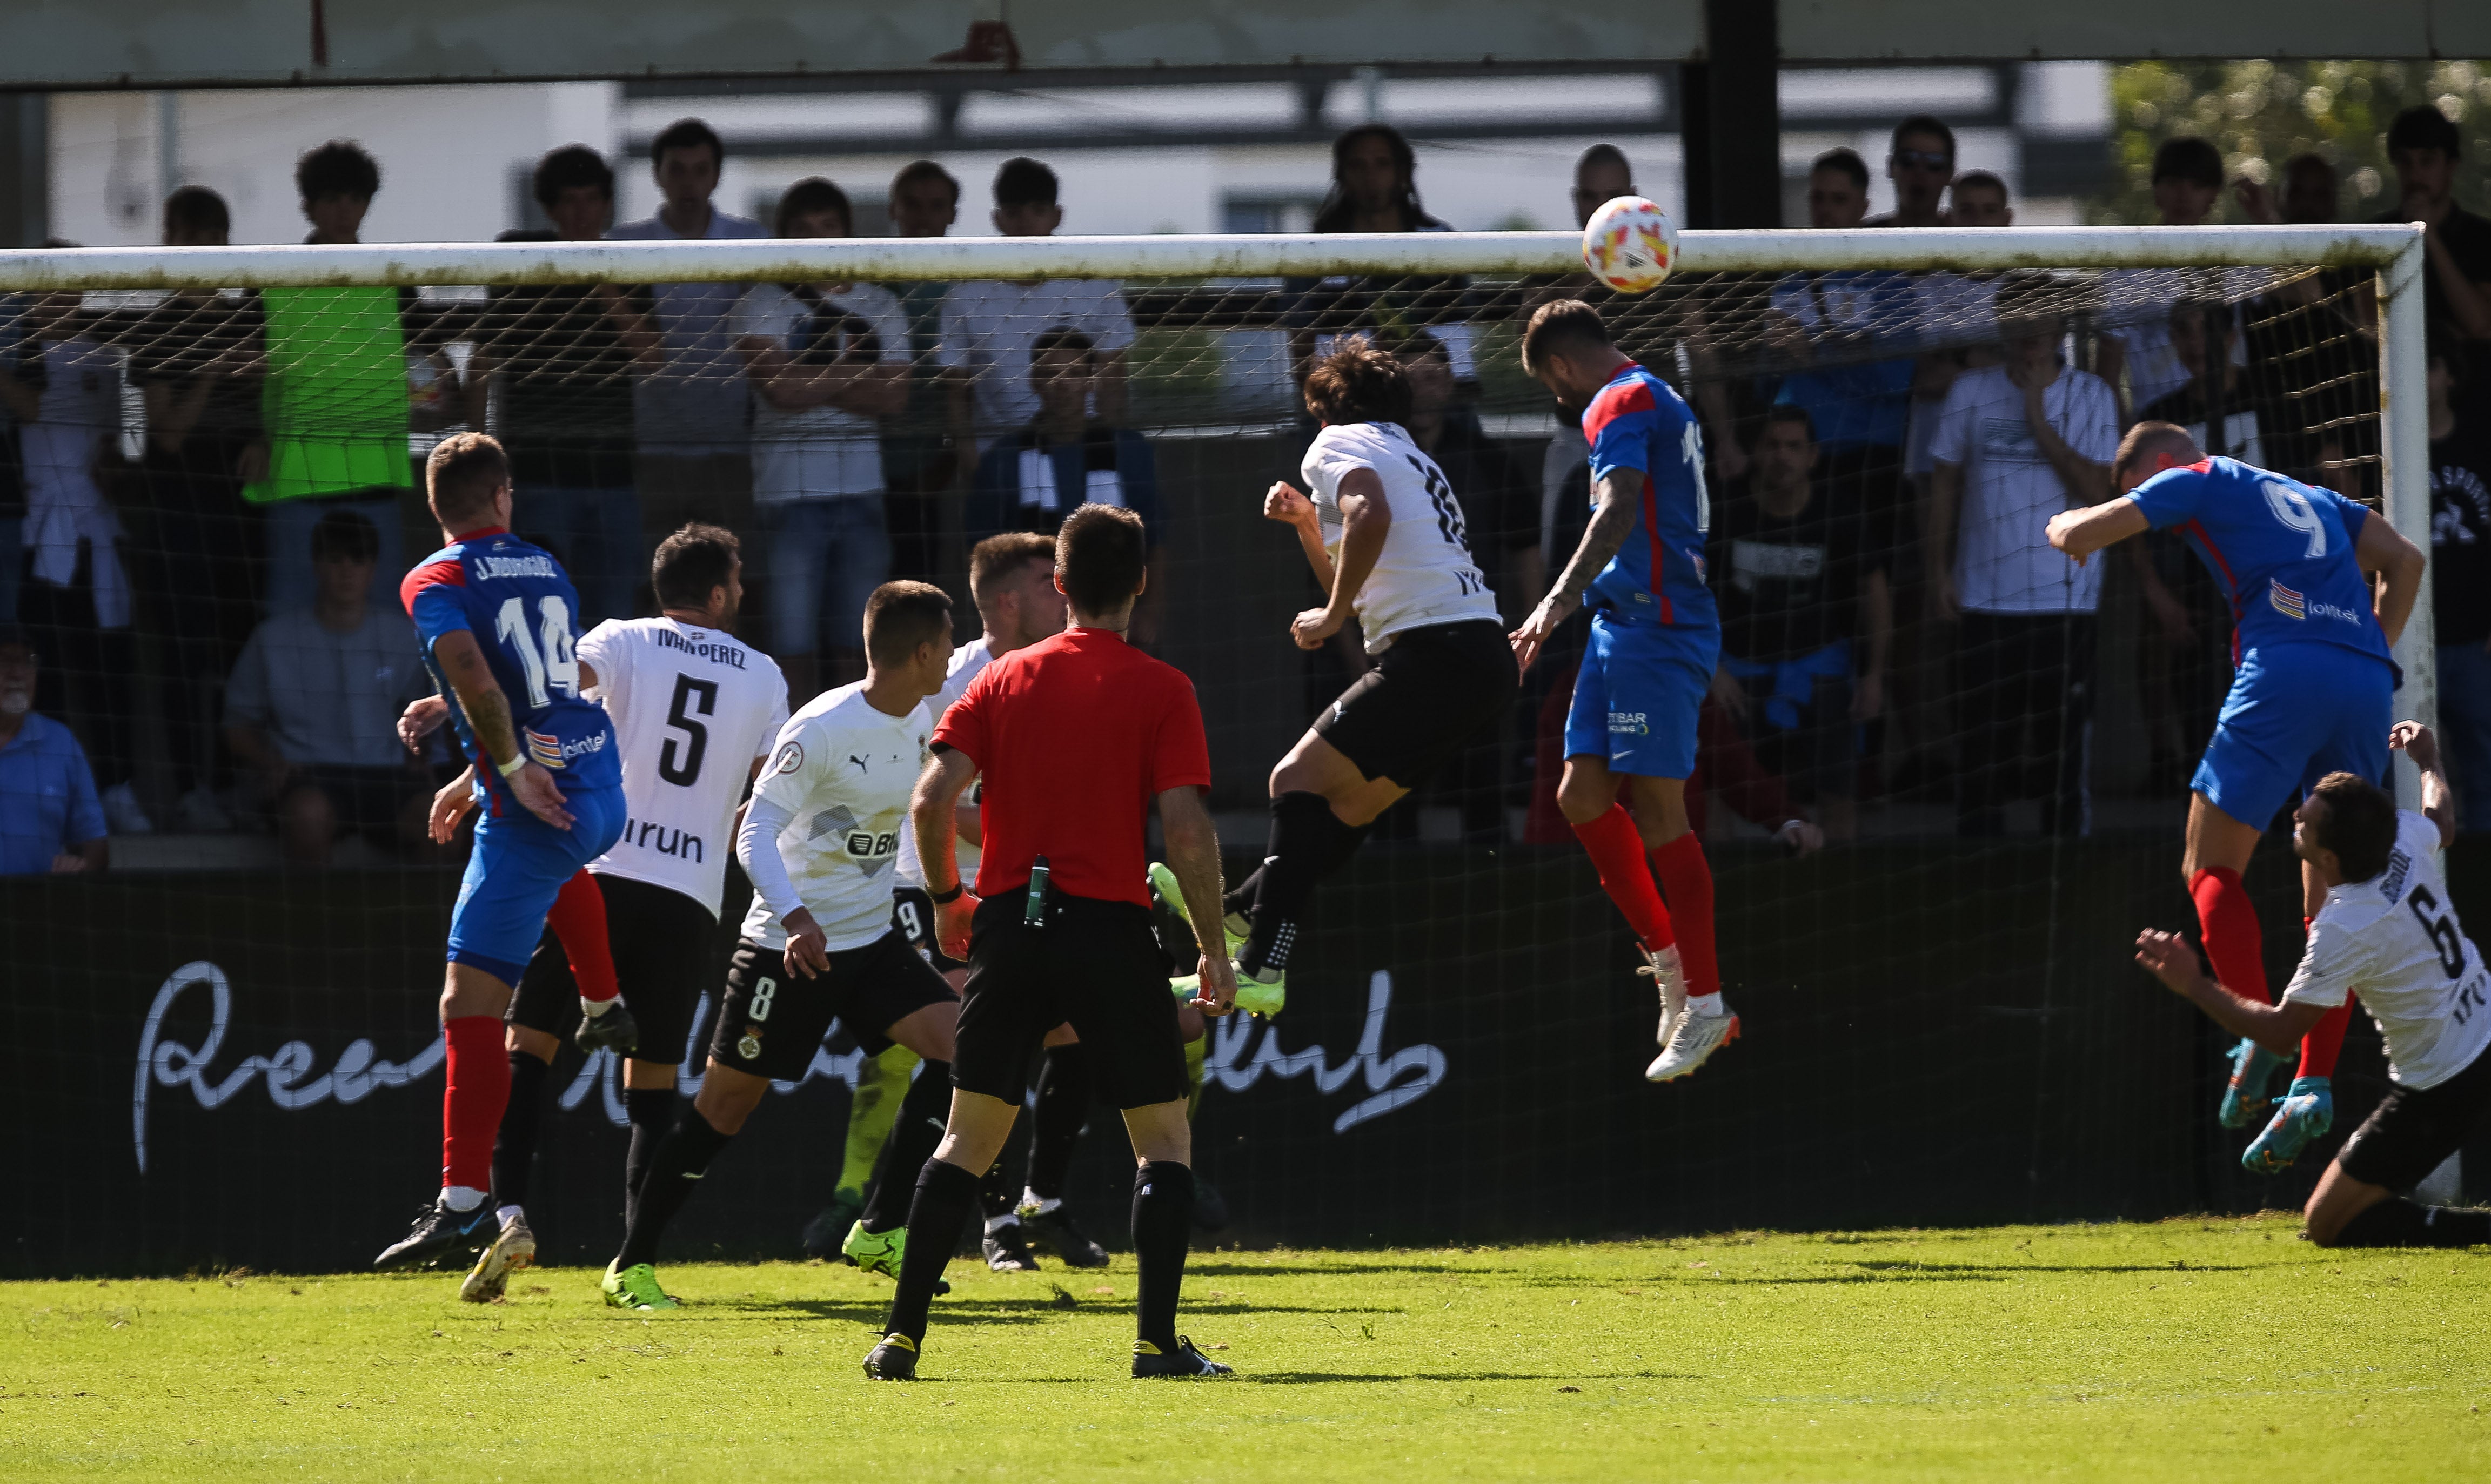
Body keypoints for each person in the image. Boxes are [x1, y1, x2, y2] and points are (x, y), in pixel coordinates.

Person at [862, 503, 1236, 1382]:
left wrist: (951, 898)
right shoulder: (1163, 687)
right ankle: (1154, 1345)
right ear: (1140, 583)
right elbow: (1186, 831)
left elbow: (927, 801)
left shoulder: (998, 680)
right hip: (1108, 926)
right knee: (1165, 1146)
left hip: (1009, 929)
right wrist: (1211, 947)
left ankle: (900, 1339)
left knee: (964, 1142)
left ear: (1059, 585)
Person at [404, 523, 789, 1302]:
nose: (742, 593)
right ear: (716, 594)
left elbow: (538, 688)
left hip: (595, 870)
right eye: (739, 582)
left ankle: (507, 1212)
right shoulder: (764, 674)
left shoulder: (620, 639)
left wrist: (468, 756)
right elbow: (764, 785)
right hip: (686, 895)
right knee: (650, 1082)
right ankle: (634, 1264)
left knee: (526, 1047)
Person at [2046, 420, 2424, 1173]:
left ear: (2156, 463)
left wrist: (2064, 524)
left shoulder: (2197, 477)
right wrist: (2370, 648)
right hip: (2360, 684)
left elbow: (2088, 531)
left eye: (2141, 485)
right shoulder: (2312, 495)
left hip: (2280, 670)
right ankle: (2311, 1085)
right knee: (2337, 893)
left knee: (2208, 865)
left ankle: (2258, 1036)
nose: (2150, 504)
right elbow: (2404, 559)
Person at [597, 581, 963, 1312]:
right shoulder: (822, 726)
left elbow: (930, 815)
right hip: (786, 947)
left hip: (870, 937)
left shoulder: (922, 718)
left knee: (966, 1050)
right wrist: (796, 917)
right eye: (948, 647)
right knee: (723, 1109)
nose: (953, 659)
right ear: (922, 652)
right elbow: (753, 831)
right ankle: (629, 1264)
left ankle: (880, 1228)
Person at [370, 433, 626, 1277]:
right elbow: (543, 679)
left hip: (534, 803)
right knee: (557, 864)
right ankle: (600, 996)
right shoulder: (546, 566)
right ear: (504, 497)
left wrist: (505, 773)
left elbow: (480, 677)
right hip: (597, 788)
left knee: (466, 1004)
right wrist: (467, 732)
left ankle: (462, 1203)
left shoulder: (433, 579)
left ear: (436, 505)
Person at [1201, 338, 1517, 1015]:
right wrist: (1304, 529)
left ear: (1323, 413)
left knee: (1291, 781)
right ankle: (1239, 911)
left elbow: (1366, 519)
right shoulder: (1408, 453)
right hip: (1482, 662)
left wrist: (1330, 615)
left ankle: (1260, 962)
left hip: (1435, 652)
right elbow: (1364, 562)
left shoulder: (1335, 445)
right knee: (1344, 808)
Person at [2136, 726, 2491, 1247]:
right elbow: (2444, 821)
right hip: (2481, 1029)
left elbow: (2281, 1035)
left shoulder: (2344, 925)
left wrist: (2194, 984)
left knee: (2327, 1223)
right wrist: (2430, 758)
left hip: (2443, 1085)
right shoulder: (2403, 838)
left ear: (2329, 860)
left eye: (2310, 820)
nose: (2298, 815)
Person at [1509, 300, 1734, 1082]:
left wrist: (1551, 600)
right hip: (1621, 625)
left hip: (1658, 629)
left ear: (1563, 369)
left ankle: (1707, 1002)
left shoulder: (1622, 399)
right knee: (1579, 796)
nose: (1564, 404)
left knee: (1661, 811)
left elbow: (1616, 506)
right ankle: (1671, 965)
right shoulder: (1648, 392)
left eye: (1554, 389)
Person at [1926, 273, 2119, 838]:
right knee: (1983, 753)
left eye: (2041, 315)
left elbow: (2097, 493)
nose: (2030, 328)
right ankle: (1977, 873)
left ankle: (2068, 860)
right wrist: (1937, 569)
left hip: (2067, 605)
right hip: (1983, 602)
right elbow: (1941, 482)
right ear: (2001, 324)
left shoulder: (2091, 395)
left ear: (2061, 323)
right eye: (2018, 316)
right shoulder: (1969, 390)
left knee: (2059, 756)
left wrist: (2037, 416)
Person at [727, 176, 909, 699]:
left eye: (827, 228)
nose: (816, 238)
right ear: (784, 237)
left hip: (863, 494)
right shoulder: (760, 302)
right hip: (787, 498)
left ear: (848, 234)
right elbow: (780, 390)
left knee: (860, 644)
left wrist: (812, 379)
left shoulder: (881, 304)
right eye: (803, 230)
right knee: (791, 644)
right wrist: (854, 374)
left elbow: (896, 399)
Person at [126, 185, 264, 834]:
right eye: (183, 236)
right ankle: (187, 789)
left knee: (238, 655)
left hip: (242, 517)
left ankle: (238, 786)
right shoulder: (156, 325)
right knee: (182, 659)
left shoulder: (251, 316)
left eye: (206, 237)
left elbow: (281, 393)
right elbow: (169, 433)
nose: (193, 249)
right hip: (175, 516)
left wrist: (265, 435)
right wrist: (214, 369)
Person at [467, 146, 651, 628]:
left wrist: (600, 276)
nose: (581, 213)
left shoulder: (630, 265)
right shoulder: (521, 262)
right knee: (538, 619)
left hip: (613, 477)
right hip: (536, 476)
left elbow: (653, 355)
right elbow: (483, 360)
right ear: (550, 209)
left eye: (591, 200)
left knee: (612, 623)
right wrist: (475, 454)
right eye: (569, 202)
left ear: (607, 205)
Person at [1707, 407, 1891, 843]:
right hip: (1736, 672)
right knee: (1712, 786)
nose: (1781, 456)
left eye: (1793, 446)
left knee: (1839, 792)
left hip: (1820, 669)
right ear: (1755, 452)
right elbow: (1683, 591)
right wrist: (1709, 667)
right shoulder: (1723, 509)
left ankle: (1840, 892)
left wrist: (1874, 676)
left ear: (1812, 456)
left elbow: (1875, 594)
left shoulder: (1838, 508)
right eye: (1771, 445)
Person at [247, 141, 415, 616]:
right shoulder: (272, 275)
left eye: (356, 199)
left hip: (375, 475)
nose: (345, 210)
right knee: (292, 621)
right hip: (295, 476)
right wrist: (251, 435)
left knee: (383, 625)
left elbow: (426, 356)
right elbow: (239, 362)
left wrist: (440, 396)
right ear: (309, 206)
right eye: (333, 199)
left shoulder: (396, 274)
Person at [12, 276, 150, 836]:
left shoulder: (104, 359)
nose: (60, 299)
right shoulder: (15, 355)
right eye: (48, 288)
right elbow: (28, 412)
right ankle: (50, 798)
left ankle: (118, 788)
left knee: (106, 668)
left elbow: (116, 449)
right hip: (35, 539)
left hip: (96, 537)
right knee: (47, 670)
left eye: (70, 288)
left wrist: (113, 471)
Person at [223, 510, 435, 865]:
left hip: (386, 776)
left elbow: (426, 713)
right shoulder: (274, 638)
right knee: (307, 815)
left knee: (440, 820)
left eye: (358, 559)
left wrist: (421, 753)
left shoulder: (403, 637)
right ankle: (314, 921)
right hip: (308, 774)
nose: (347, 570)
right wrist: (270, 761)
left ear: (373, 567)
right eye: (335, 559)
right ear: (316, 564)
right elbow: (235, 725)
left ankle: (434, 922)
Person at [608, 119, 768, 557]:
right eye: (677, 169)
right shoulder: (623, 246)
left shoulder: (753, 241)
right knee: (653, 580)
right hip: (655, 444)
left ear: (717, 175)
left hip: (732, 444)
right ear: (658, 174)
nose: (689, 182)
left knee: (734, 578)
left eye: (701, 170)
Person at [965, 328, 1166, 644]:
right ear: (1035, 382)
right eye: (1050, 374)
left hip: (1116, 614)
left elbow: (1155, 539)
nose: (1062, 386)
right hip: (1033, 624)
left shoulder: (1130, 451)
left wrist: (1151, 610)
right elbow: (986, 554)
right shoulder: (1002, 459)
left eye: (1073, 373)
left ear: (1091, 380)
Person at [938, 158, 1135, 460]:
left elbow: (1113, 383)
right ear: (998, 219)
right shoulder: (964, 298)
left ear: (1057, 216)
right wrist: (972, 469)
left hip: (1087, 456)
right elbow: (956, 396)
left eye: (1038, 211)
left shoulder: (1096, 285)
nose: (1026, 224)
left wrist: (1110, 457)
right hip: (1001, 461)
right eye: (1015, 213)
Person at [880, 160, 966, 586]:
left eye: (936, 206)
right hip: (867, 468)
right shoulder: (872, 278)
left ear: (952, 213)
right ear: (893, 210)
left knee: (923, 586)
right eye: (912, 205)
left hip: (938, 468)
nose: (923, 217)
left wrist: (950, 458)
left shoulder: (966, 283)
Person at [2427, 343, 2491, 830]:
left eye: (2433, 364)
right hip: (2409, 641)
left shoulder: (2480, 443)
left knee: (2484, 766)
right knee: (2397, 768)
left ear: (2451, 376)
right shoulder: (2387, 443)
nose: (2422, 377)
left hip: (2475, 642)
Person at [2377, 105, 2491, 345]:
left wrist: (2430, 237)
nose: (2415, 175)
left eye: (2427, 162)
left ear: (2451, 166)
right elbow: (2367, 323)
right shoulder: (2377, 235)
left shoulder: (2482, 238)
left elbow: (2481, 324)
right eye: (2405, 162)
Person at [0, 624, 108, 875]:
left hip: (38, 908)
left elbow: (96, 841)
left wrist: (82, 866)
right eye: (5, 661)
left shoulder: (60, 742)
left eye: (27, 662)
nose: (18, 674)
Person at [1872, 113, 1956, 229]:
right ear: (1891, 167)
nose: (1920, 172)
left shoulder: (1966, 243)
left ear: (1950, 174)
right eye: (1908, 160)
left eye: (1934, 163)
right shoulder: (1861, 240)